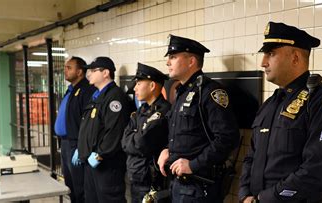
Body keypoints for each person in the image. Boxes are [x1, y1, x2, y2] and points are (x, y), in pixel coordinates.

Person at [239, 22, 322, 202]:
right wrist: (245, 194)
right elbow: (251, 156)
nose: (263, 62)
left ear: (295, 57)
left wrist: (266, 198)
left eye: (271, 53)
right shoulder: (270, 104)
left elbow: (317, 170)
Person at [157, 35, 240, 203]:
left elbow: (228, 138)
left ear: (191, 61)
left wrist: (193, 165)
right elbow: (185, 134)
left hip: (199, 188)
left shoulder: (210, 92)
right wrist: (168, 150)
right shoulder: (182, 92)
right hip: (178, 184)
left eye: (173, 57)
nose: (168, 63)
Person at [77, 56, 134, 203]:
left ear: (105, 73)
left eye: (93, 70)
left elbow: (114, 131)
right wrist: (81, 148)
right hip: (91, 162)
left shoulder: (115, 97)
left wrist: (99, 154)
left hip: (106, 164)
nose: (89, 74)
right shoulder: (97, 95)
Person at [121, 63, 171, 203]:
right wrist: (135, 137)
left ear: (152, 86)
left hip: (152, 181)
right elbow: (124, 141)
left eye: (138, 83)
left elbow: (142, 143)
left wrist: (135, 137)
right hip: (136, 177)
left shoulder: (163, 111)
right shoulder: (140, 111)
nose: (135, 88)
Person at [54, 57, 96, 203]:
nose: (65, 70)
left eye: (69, 67)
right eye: (65, 67)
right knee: (70, 186)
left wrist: (80, 146)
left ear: (79, 71)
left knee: (79, 187)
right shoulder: (71, 89)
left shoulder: (86, 90)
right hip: (65, 144)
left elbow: (88, 122)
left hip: (76, 144)